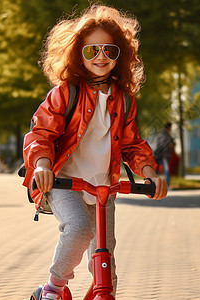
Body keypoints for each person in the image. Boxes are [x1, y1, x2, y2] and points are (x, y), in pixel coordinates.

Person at [22, 5, 168, 300]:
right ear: (79, 54)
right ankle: (52, 289)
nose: (101, 57)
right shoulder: (65, 93)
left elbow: (132, 144)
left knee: (105, 259)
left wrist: (151, 174)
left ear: (120, 56)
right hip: (66, 181)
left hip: (104, 186)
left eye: (109, 51)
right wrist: (42, 166)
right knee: (78, 230)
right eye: (92, 51)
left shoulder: (124, 100)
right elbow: (42, 133)